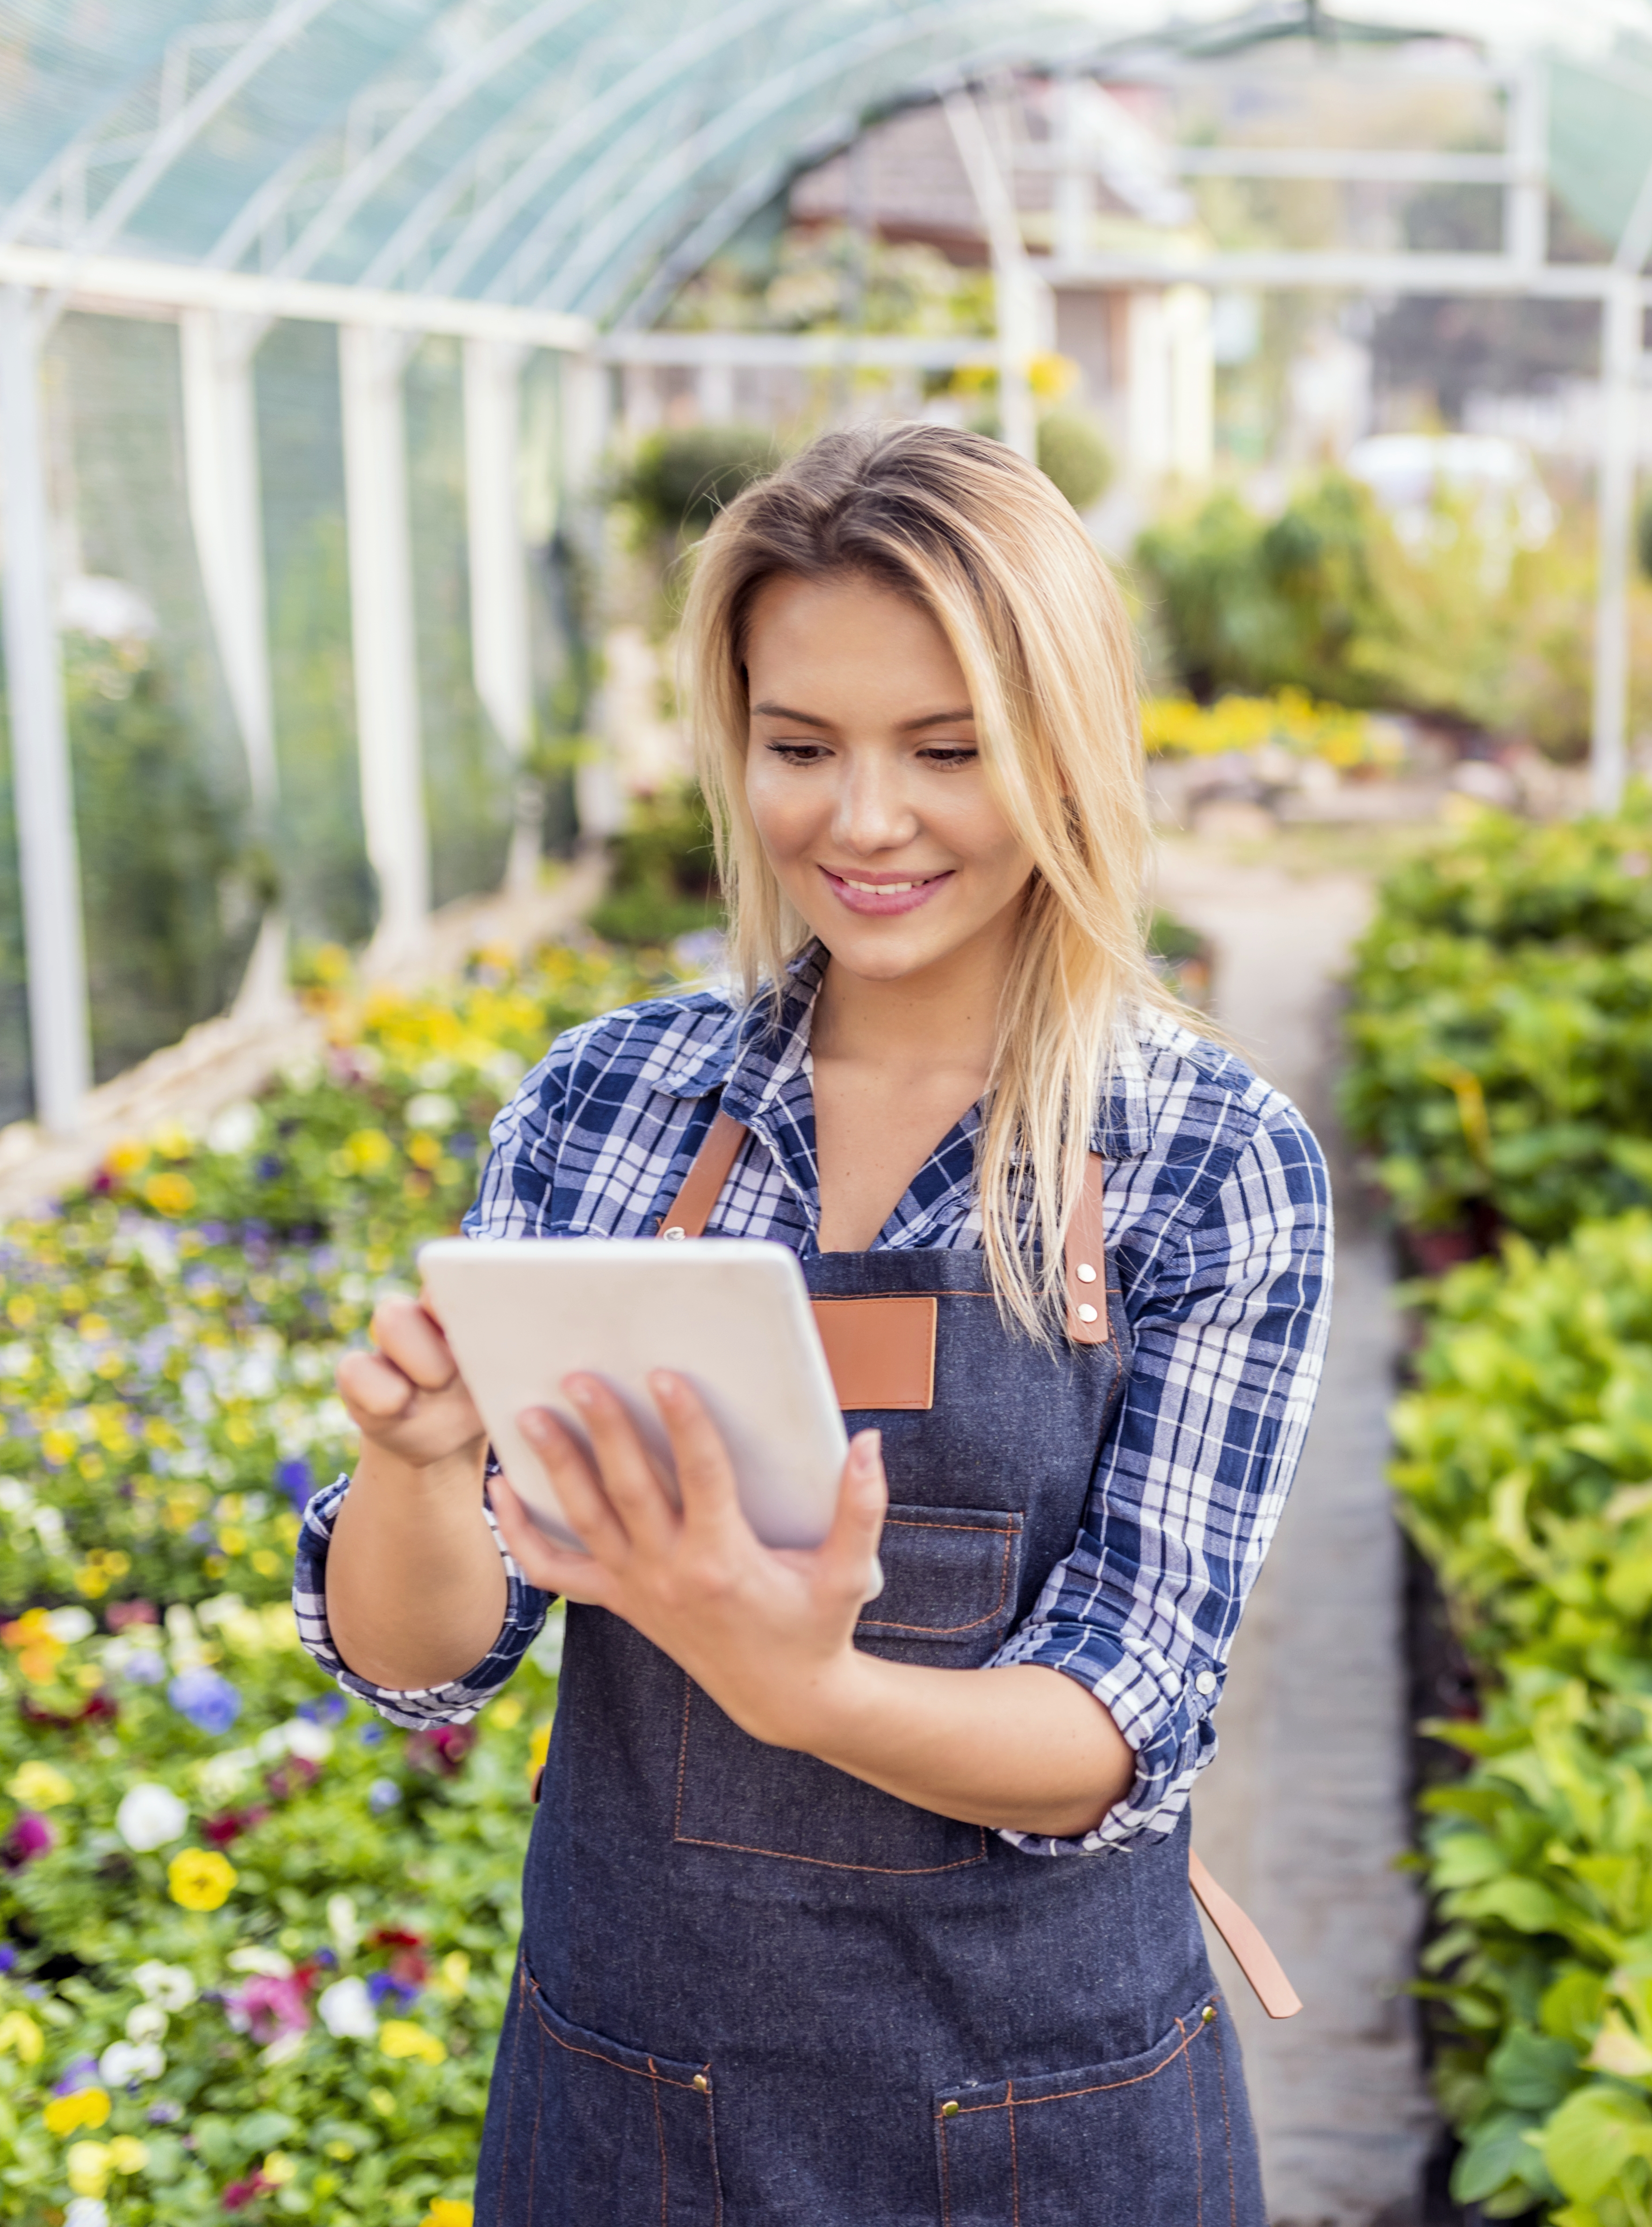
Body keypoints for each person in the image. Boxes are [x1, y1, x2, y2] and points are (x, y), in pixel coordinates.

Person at [294, 422, 1330, 2225]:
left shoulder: (1204, 1162)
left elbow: (1119, 1722)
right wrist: (415, 1466)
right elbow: (423, 1659)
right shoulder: (609, 1110)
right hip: (630, 2099)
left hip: (1040, 2116)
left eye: (949, 751)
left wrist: (805, 1688)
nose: (863, 821)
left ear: (1067, 750)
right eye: (801, 747)